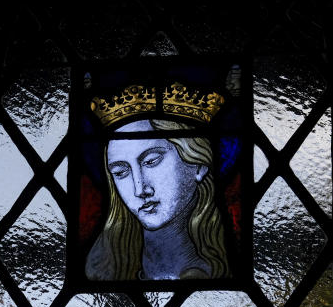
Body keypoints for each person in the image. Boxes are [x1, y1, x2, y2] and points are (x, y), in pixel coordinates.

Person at [85, 116, 230, 280]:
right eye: (120, 172)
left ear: (198, 165)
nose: (139, 189)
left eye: (151, 161)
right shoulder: (102, 269)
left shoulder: (228, 267)